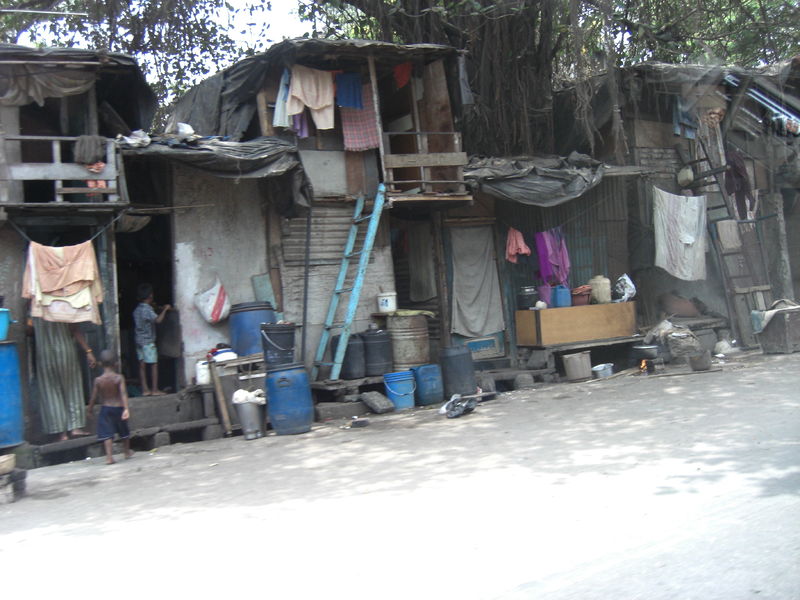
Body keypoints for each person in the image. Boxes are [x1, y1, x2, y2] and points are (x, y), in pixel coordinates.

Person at [31, 318, 96, 441]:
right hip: (65, 350)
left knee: (51, 392)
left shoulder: (34, 304)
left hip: (44, 354)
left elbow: (29, 328)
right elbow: (74, 328)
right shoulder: (66, 301)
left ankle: (62, 434)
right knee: (72, 388)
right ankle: (75, 427)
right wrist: (88, 350)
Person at [87, 349, 132, 464]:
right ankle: (126, 452)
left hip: (106, 409)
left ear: (100, 364)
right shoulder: (119, 378)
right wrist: (126, 409)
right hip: (119, 408)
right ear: (116, 364)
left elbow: (93, 397)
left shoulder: (98, 380)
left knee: (107, 434)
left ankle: (109, 457)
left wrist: (90, 409)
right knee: (124, 431)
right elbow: (123, 394)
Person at [133, 283, 171, 396]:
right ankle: (154, 389)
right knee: (154, 364)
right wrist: (165, 309)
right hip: (148, 342)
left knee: (142, 365)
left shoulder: (137, 309)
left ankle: (145, 390)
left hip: (138, 341)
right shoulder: (147, 310)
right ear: (150, 296)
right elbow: (158, 320)